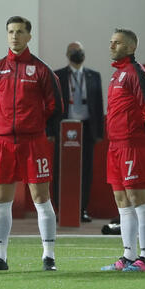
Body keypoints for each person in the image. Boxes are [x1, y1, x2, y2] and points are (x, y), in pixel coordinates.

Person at [0, 16, 63, 271]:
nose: (14, 36)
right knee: (1, 200)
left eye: (19, 32)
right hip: (3, 143)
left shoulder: (41, 70)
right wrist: (6, 124)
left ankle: (48, 256)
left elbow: (55, 106)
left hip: (33, 143)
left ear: (29, 36)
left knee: (41, 197)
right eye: (10, 32)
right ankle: (0, 257)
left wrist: (33, 124)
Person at [99, 28, 145, 272]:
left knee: (137, 196)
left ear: (131, 47)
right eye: (111, 42)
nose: (112, 46)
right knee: (121, 200)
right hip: (115, 144)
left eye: (118, 43)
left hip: (132, 143)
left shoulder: (136, 72)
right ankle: (128, 255)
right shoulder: (117, 75)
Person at [54, 41, 104, 223]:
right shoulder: (58, 76)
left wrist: (99, 132)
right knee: (62, 170)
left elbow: (98, 105)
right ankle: (61, 209)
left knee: (86, 171)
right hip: (64, 128)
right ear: (67, 55)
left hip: (87, 128)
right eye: (73, 51)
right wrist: (50, 131)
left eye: (80, 50)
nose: (77, 53)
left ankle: (82, 209)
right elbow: (52, 105)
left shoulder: (94, 76)